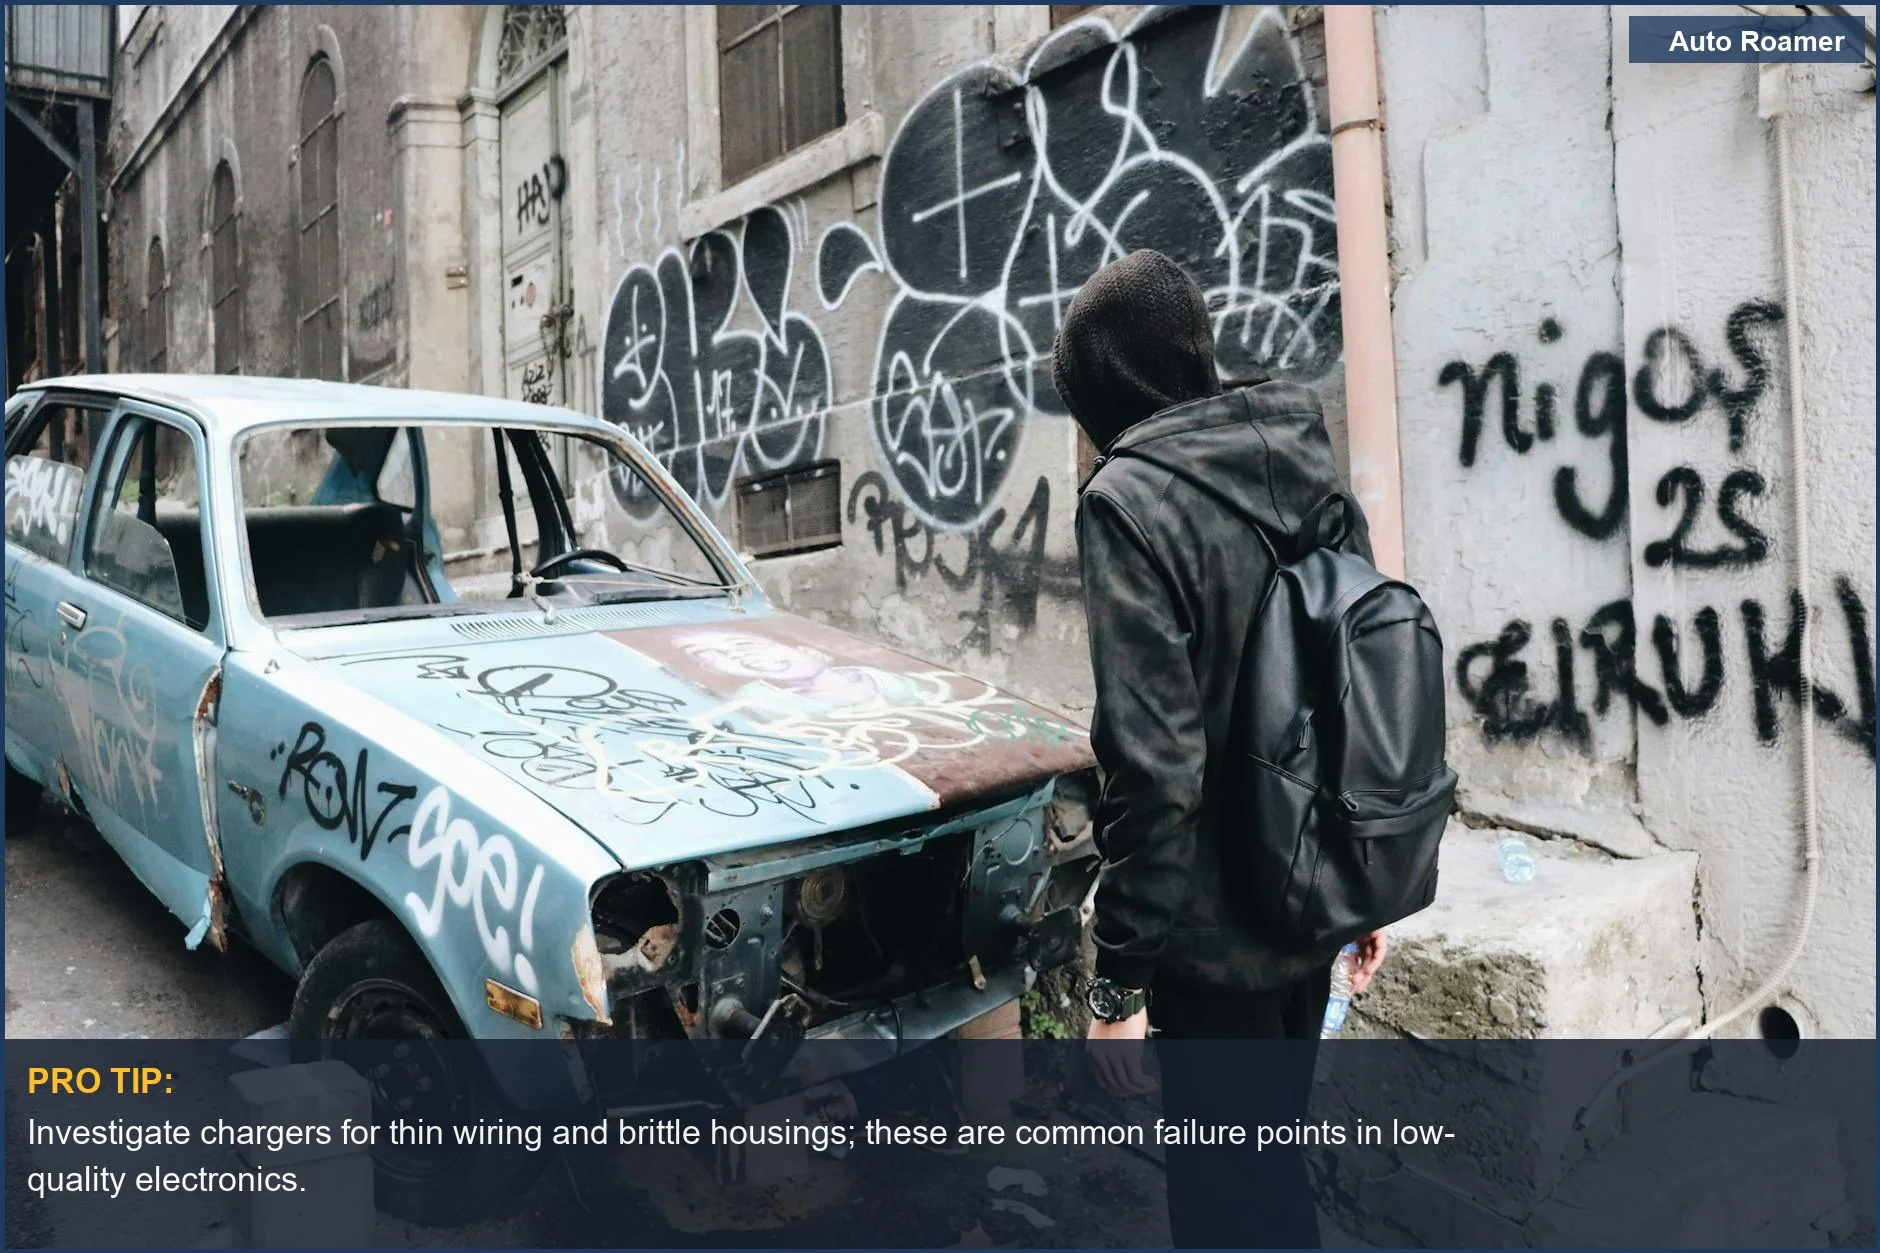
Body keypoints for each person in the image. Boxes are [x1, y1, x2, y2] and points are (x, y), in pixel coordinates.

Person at [1052, 249, 1388, 1248]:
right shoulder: (1307, 465)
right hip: (1308, 902)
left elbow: (1154, 771)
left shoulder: (1127, 501)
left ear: (1104, 385)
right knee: (1265, 1170)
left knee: (1229, 1203)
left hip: (1215, 938)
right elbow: (1357, 697)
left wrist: (1116, 980)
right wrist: (1362, 888)